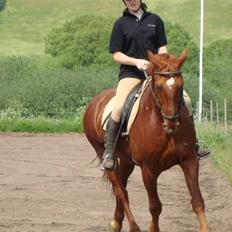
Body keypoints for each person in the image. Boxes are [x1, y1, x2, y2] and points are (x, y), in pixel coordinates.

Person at [102, 0, 210, 171]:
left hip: (157, 74)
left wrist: (162, 65)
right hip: (131, 74)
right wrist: (136, 62)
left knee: (186, 101)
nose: (131, 0)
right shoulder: (120, 24)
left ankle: (194, 145)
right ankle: (109, 151)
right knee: (119, 106)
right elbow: (116, 54)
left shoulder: (155, 20)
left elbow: (162, 49)